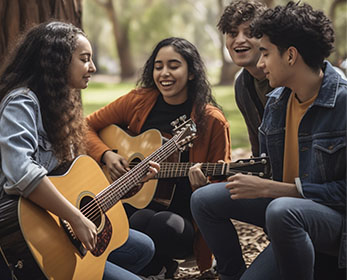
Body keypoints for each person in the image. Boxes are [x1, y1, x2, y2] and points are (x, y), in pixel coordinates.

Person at [191, 2, 346, 280]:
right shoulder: (276, 103)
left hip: (332, 225)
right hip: (286, 213)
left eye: (265, 53)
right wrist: (236, 177)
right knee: (204, 198)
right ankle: (231, 273)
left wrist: (273, 189)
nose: (260, 63)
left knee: (281, 209)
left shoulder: (342, 104)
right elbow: (266, 168)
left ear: (290, 56)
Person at [0, 21, 159, 280]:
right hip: (28, 229)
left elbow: (72, 181)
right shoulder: (21, 102)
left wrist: (130, 180)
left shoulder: (62, 104)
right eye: (85, 59)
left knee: (143, 249)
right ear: (57, 61)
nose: (93, 68)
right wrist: (75, 217)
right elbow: (20, 172)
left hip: (60, 222)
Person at [85, 37, 231, 278]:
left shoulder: (211, 121)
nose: (165, 73)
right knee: (129, 218)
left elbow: (222, 187)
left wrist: (204, 189)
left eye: (174, 65)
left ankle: (159, 267)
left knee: (159, 224)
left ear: (192, 73)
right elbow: (86, 126)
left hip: (183, 222)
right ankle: (150, 269)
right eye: (158, 66)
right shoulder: (138, 101)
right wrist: (107, 155)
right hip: (130, 204)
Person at [217, 0, 271, 157]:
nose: (239, 40)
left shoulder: (287, 78)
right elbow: (257, 148)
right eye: (232, 34)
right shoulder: (241, 84)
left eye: (250, 33)